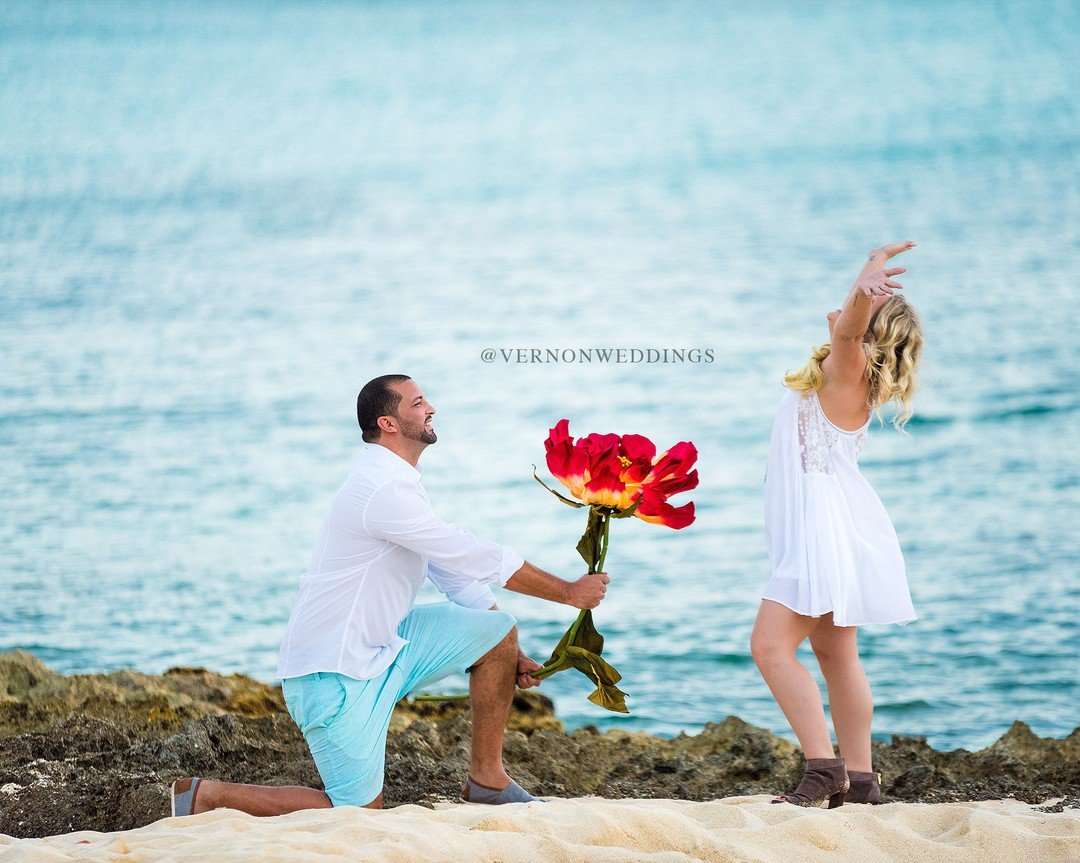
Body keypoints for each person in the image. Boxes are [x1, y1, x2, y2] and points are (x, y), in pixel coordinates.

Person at [171, 374, 609, 815]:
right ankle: (206, 795)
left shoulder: (400, 483)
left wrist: (507, 652)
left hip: (386, 647)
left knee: (497, 631)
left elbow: (452, 571)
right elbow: (469, 553)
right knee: (358, 814)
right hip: (331, 673)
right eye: (417, 403)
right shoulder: (380, 489)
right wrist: (567, 592)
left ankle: (487, 781)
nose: (431, 408)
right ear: (389, 423)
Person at [750, 241, 923, 808]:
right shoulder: (845, 375)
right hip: (834, 529)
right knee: (837, 656)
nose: (847, 304)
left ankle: (824, 769)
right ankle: (863, 779)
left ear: (868, 327)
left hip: (821, 536)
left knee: (769, 647)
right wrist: (869, 268)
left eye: (860, 303)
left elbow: (848, 331)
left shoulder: (847, 366)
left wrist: (864, 292)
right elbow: (849, 324)